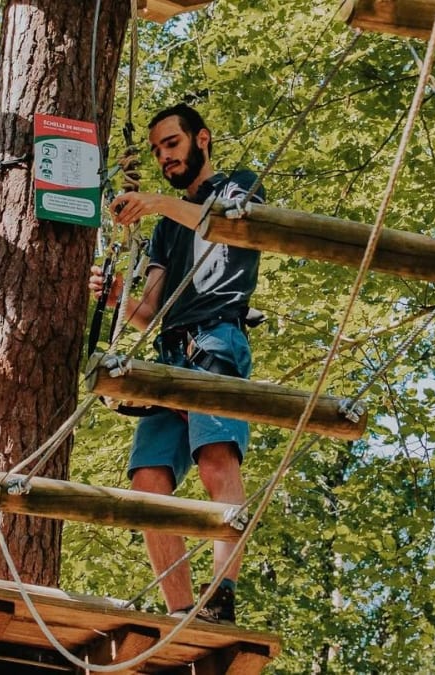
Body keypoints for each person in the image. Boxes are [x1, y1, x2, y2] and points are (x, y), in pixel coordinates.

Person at [89, 103, 264, 624]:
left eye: (172, 143)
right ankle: (181, 610)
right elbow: (150, 312)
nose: (165, 156)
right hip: (171, 349)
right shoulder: (165, 228)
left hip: (216, 339)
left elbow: (225, 226)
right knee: (147, 478)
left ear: (202, 140)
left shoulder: (238, 186)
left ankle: (223, 594)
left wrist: (156, 202)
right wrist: (118, 294)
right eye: (159, 149)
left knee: (216, 461)